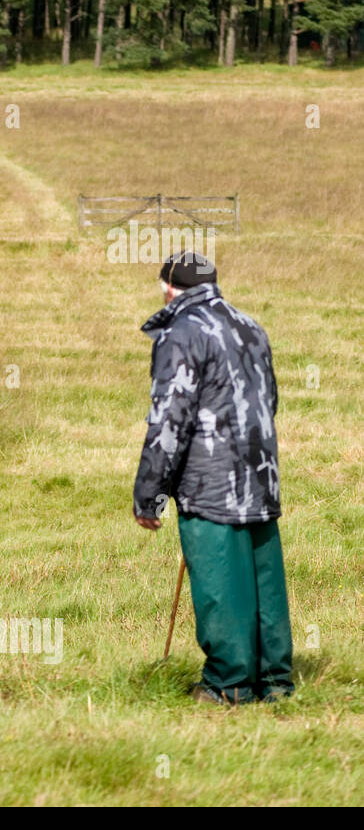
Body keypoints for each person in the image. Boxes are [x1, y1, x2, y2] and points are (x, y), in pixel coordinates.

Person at [133, 250, 293, 705]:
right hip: (261, 475)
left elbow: (169, 420)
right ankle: (275, 682)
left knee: (221, 582)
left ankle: (230, 685)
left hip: (209, 482)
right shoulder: (250, 326)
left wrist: (150, 496)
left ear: (168, 286)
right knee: (263, 581)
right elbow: (270, 402)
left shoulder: (179, 333)